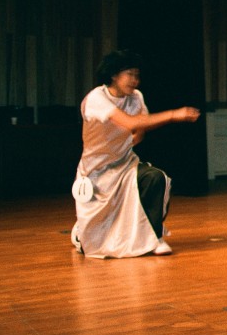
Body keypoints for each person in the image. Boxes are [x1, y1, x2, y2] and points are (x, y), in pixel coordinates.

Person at [71, 50, 200, 258]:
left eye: (137, 75)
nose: (135, 81)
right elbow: (129, 122)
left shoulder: (136, 97)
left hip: (125, 164)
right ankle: (80, 233)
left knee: (155, 178)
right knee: (94, 237)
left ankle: (154, 237)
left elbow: (140, 124)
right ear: (114, 75)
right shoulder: (97, 98)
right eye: (129, 74)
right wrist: (174, 114)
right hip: (96, 171)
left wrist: (134, 136)